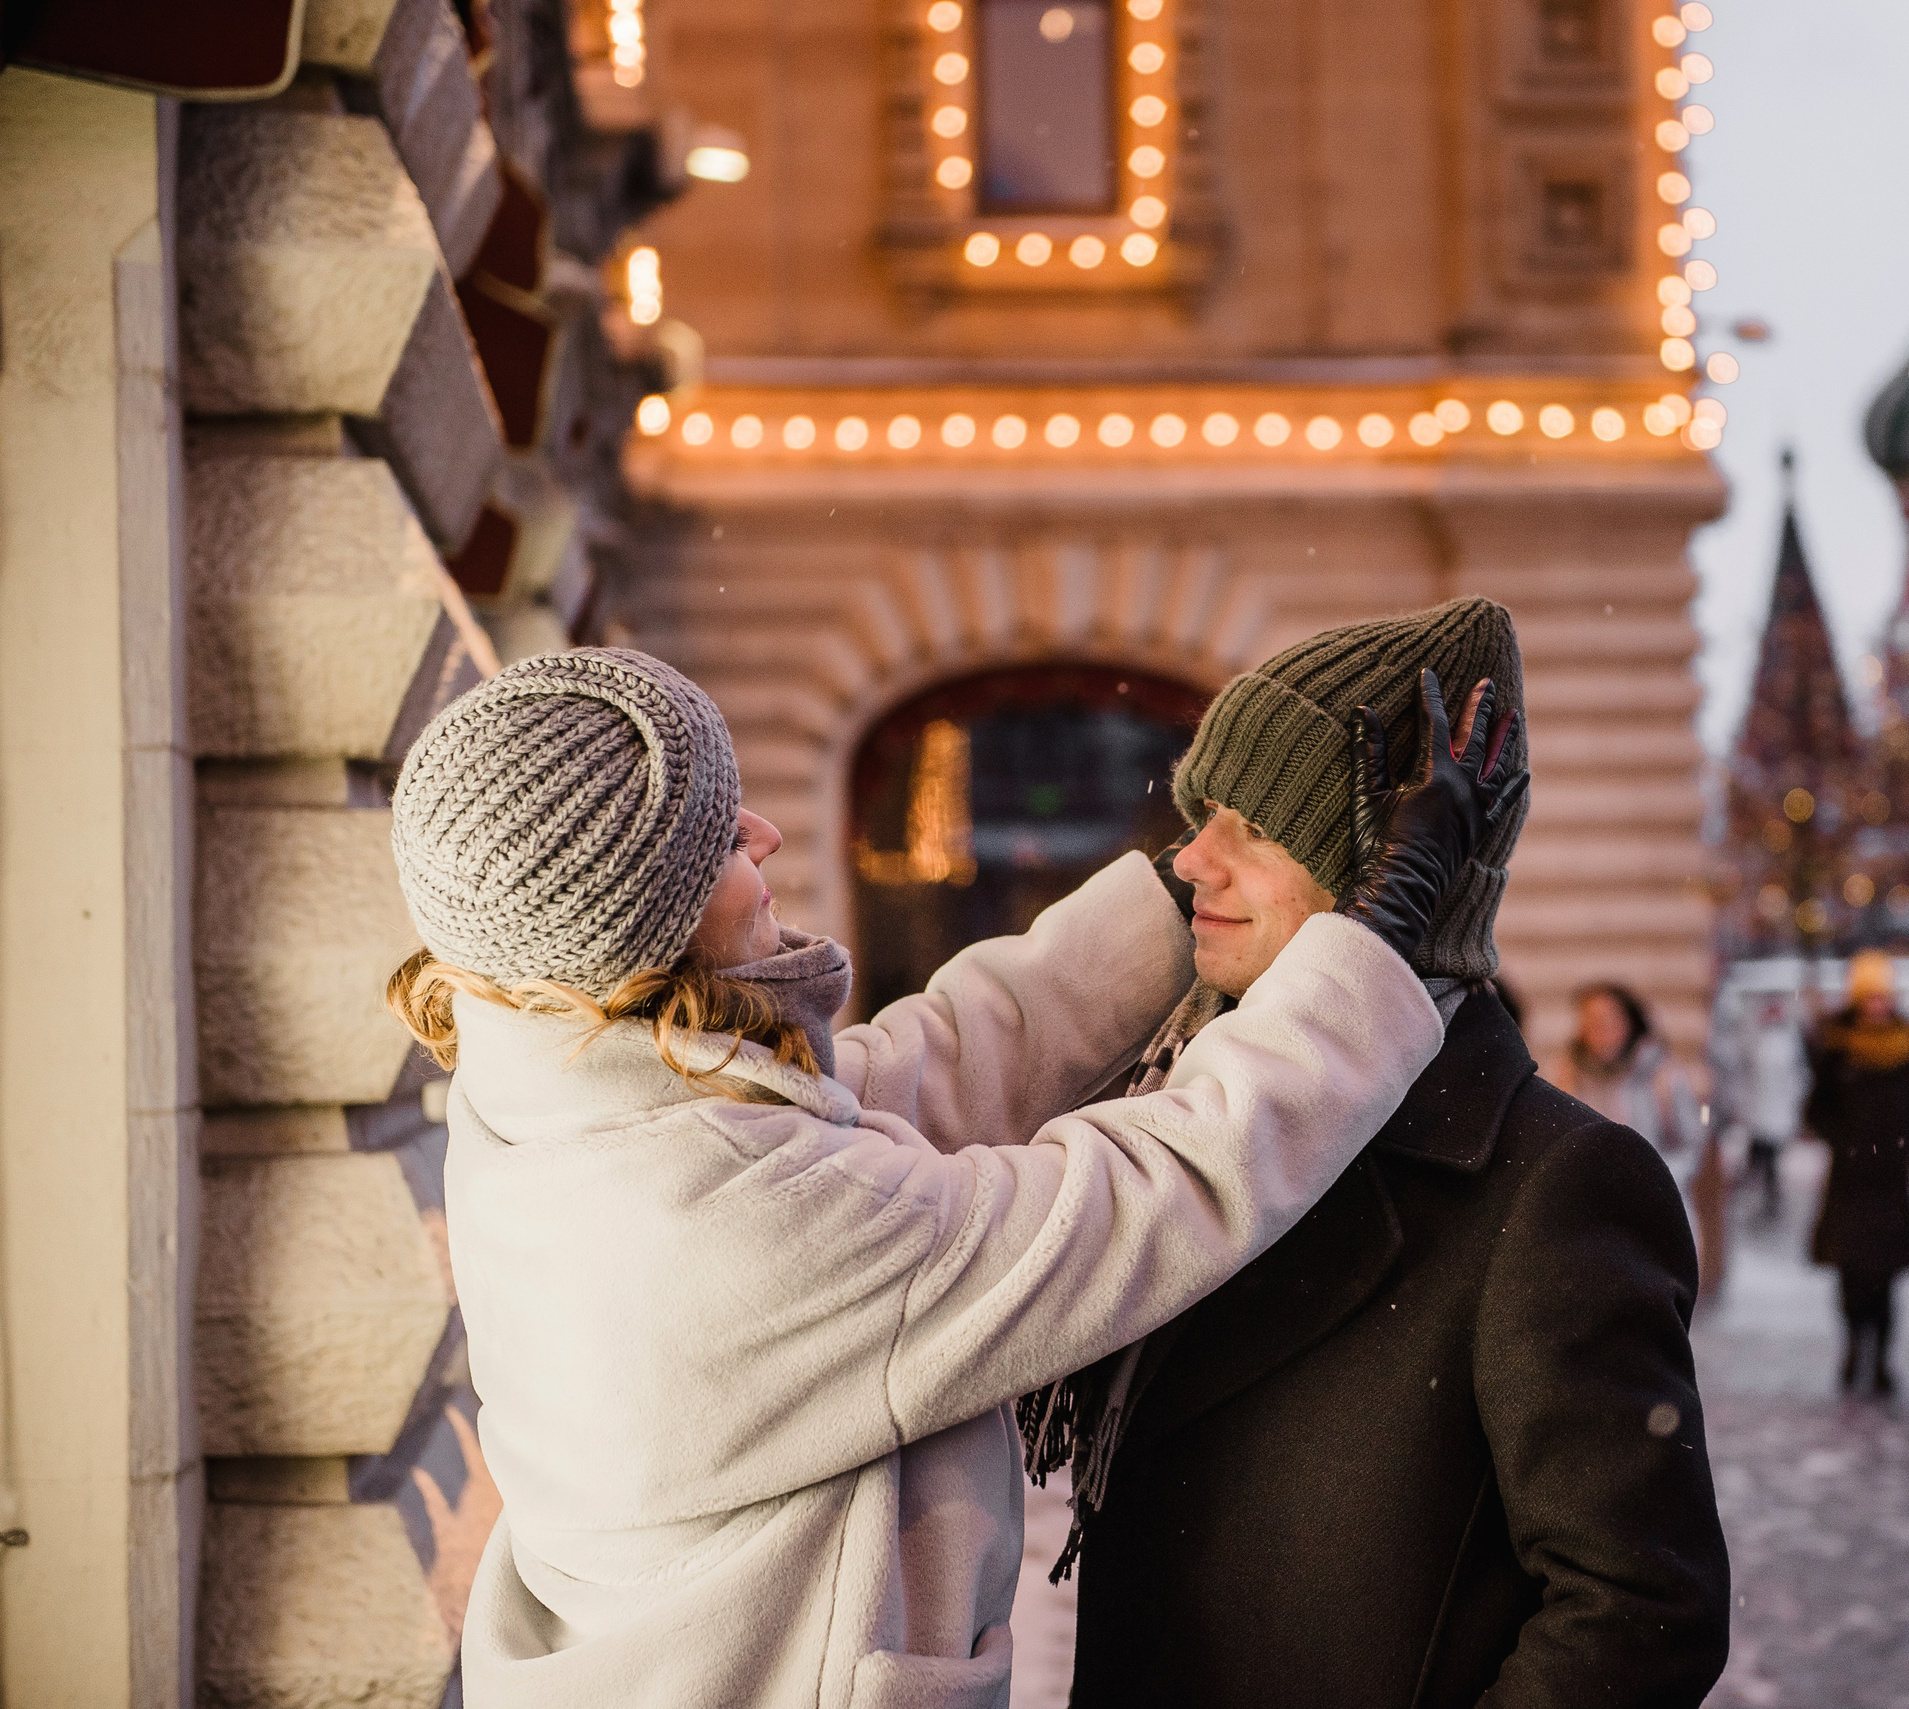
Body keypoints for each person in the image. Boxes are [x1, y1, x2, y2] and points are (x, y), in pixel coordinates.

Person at [382, 647, 1511, 1708]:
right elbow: (1151, 1193)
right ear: (642, 926)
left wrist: (1194, 880)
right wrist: (1380, 930)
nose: (766, 834)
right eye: (721, 839)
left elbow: (939, 1063)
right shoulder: (719, 1221)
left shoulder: (553, 1089)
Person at [1044, 599, 1730, 1708]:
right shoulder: (1176, 1108)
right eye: (1200, 811)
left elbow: (1640, 1609)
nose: (1191, 858)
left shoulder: (1551, 1182)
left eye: (1254, 827)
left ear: (1390, 870)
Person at [1803, 950, 1909, 1397]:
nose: (1876, 1006)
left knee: (1886, 1277)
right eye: (1869, 996)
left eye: (1883, 996)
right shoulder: (1837, 1049)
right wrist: (1844, 1139)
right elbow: (1816, 1109)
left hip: (1891, 1180)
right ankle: (1854, 1347)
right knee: (1851, 1274)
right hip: (1850, 1179)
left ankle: (1881, 1358)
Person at [1558, 982, 1713, 1263]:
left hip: (1656, 1219)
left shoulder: (1662, 1074)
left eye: (1607, 1019)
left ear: (1629, 1021)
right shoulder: (1568, 1075)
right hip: (1592, 1224)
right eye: (1590, 1020)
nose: (1599, 1029)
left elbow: (1694, 1141)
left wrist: (1655, 1181)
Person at [1736, 995, 1805, 1220]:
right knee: (1757, 1158)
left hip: (1777, 1113)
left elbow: (1797, 1079)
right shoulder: (1758, 1039)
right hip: (1759, 1112)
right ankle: (1754, 1200)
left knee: (1770, 1162)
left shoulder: (1789, 1041)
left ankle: (1770, 1202)